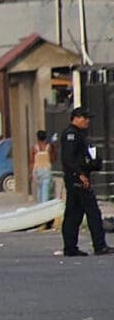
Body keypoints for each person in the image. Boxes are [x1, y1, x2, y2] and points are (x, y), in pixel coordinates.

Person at [60, 107, 111, 256]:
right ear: (75, 118)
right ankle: (99, 246)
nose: (87, 121)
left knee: (74, 213)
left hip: (80, 177)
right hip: (78, 179)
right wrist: (80, 174)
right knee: (92, 212)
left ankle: (70, 247)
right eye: (84, 118)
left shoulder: (80, 135)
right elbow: (69, 159)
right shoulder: (71, 135)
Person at [31, 130, 56, 203]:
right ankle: (44, 205)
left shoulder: (34, 148)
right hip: (46, 170)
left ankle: (39, 205)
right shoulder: (49, 147)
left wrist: (31, 173)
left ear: (37, 138)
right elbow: (53, 159)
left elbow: (32, 161)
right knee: (45, 190)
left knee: (39, 189)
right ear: (45, 137)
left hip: (37, 170)